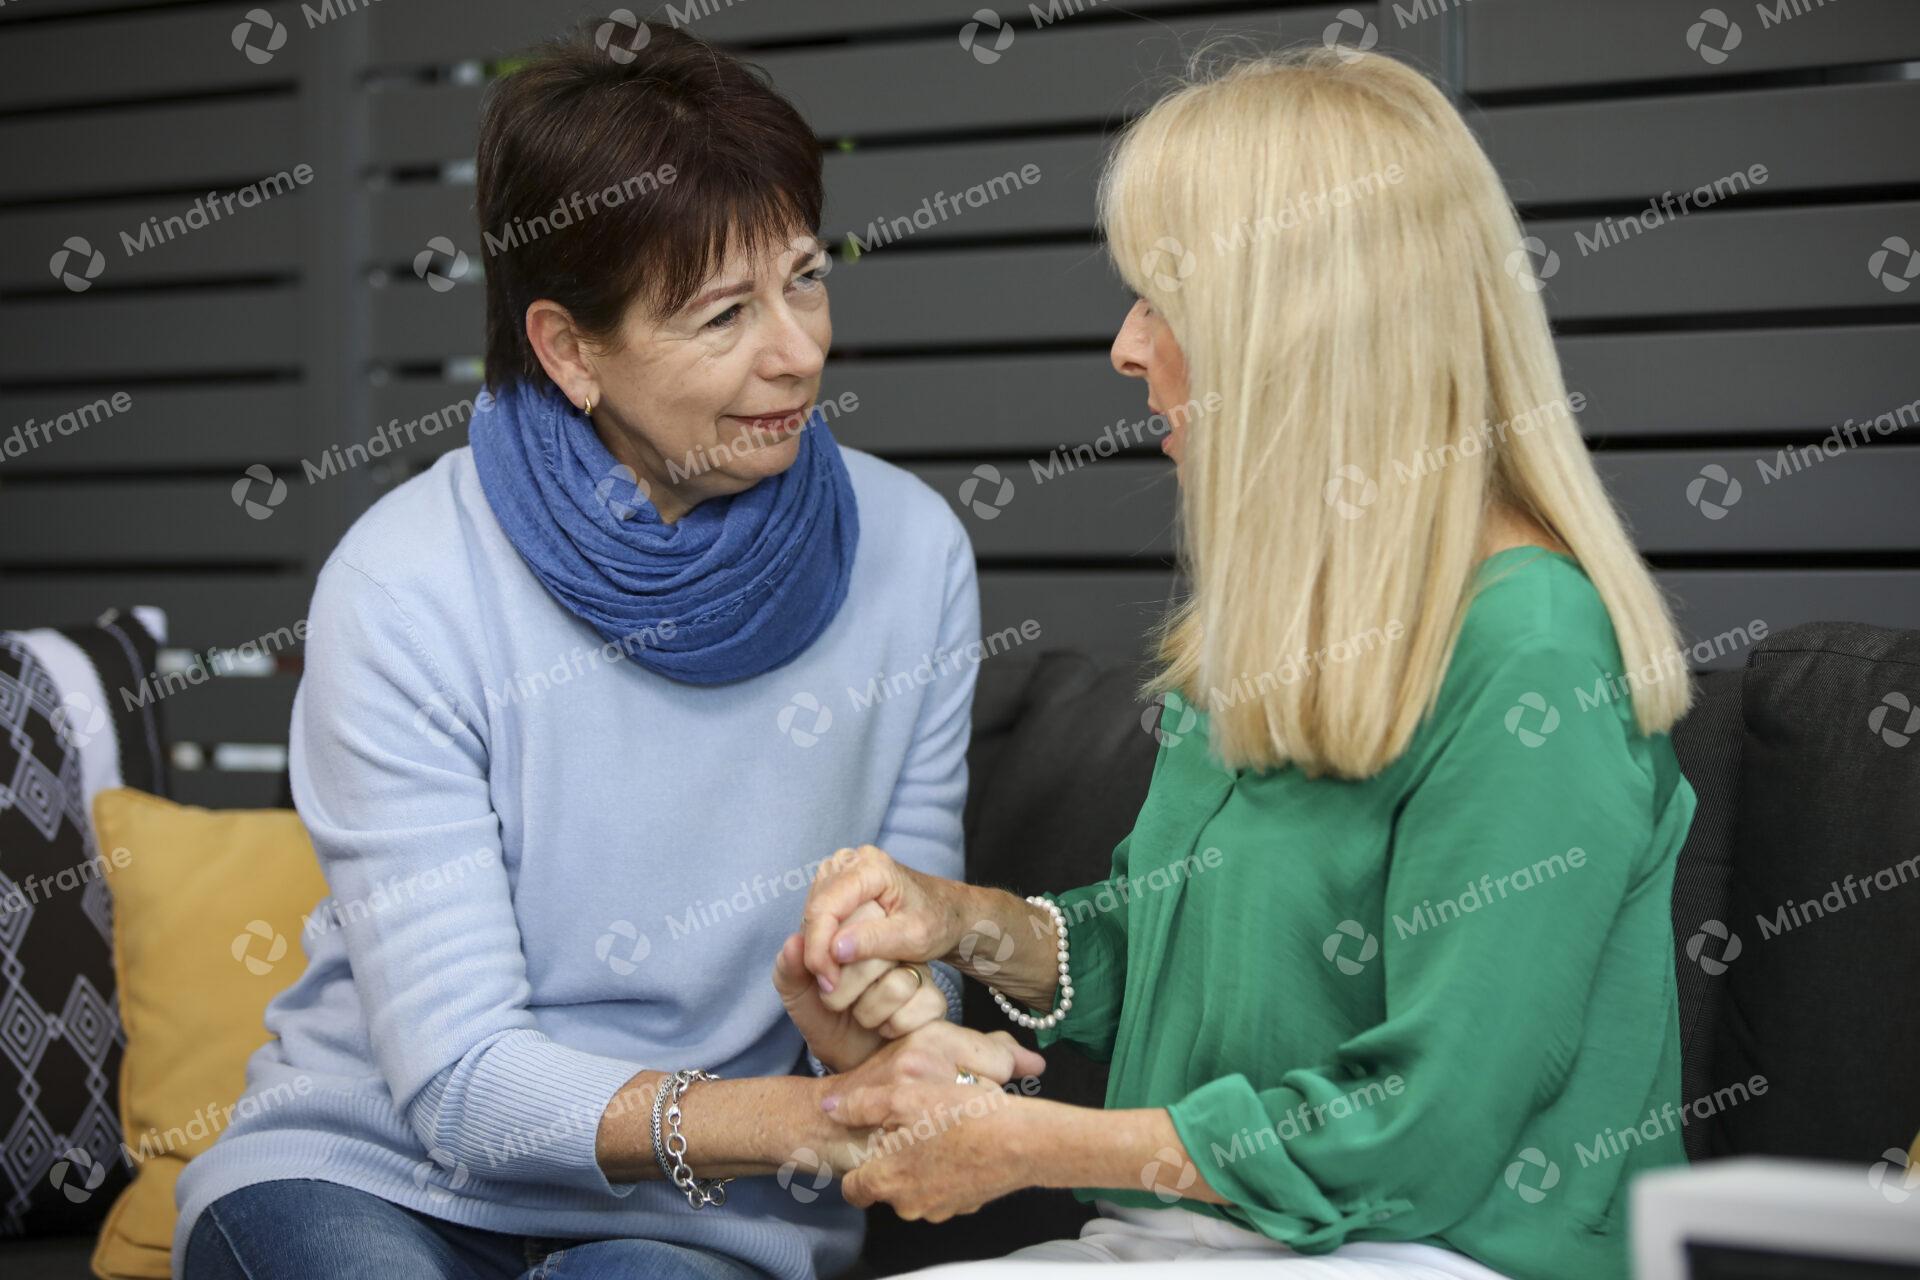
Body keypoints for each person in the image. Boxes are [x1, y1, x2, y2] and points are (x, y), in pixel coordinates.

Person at [796, 48, 1699, 1280]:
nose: (1125, 347)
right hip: (1196, 1240)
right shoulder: (1284, 626)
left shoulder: (1533, 648)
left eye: (1159, 301)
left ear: (1298, 330)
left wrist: (1023, 1145)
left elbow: (1426, 1131)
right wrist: (962, 922)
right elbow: (1162, 965)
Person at [174, 19, 1040, 1280]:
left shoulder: (913, 554)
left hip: (702, 1211)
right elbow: (458, 1081)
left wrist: (883, 1020)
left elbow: (911, 984)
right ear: (569, 349)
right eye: (723, 313)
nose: (798, 349)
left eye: (805, 278)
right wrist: (814, 1115)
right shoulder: (404, 582)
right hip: (371, 1172)